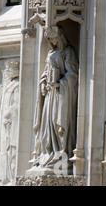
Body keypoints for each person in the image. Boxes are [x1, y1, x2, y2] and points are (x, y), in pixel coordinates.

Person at [32, 25, 79, 170]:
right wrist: (44, 82)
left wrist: (61, 83)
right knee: (47, 125)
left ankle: (62, 153)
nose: (51, 40)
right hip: (50, 95)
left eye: (53, 37)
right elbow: (45, 72)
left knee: (57, 120)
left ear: (60, 36)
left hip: (61, 94)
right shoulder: (50, 53)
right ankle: (48, 152)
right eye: (49, 38)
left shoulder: (68, 52)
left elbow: (73, 75)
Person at [0, 61, 20, 185]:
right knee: (3, 150)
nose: (8, 72)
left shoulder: (17, 86)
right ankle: (3, 178)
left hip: (12, 124)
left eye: (10, 69)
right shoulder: (7, 86)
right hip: (4, 125)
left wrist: (9, 112)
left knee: (12, 150)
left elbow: (17, 105)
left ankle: (12, 176)